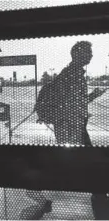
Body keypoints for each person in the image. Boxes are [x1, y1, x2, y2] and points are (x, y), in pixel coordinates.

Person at [21, 41, 108, 219]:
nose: (91, 55)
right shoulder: (73, 75)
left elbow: (72, 103)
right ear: (77, 54)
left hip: (73, 126)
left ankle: (100, 201)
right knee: (75, 165)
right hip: (73, 128)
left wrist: (91, 96)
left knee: (80, 166)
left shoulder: (70, 74)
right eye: (88, 52)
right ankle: (101, 208)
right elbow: (71, 105)